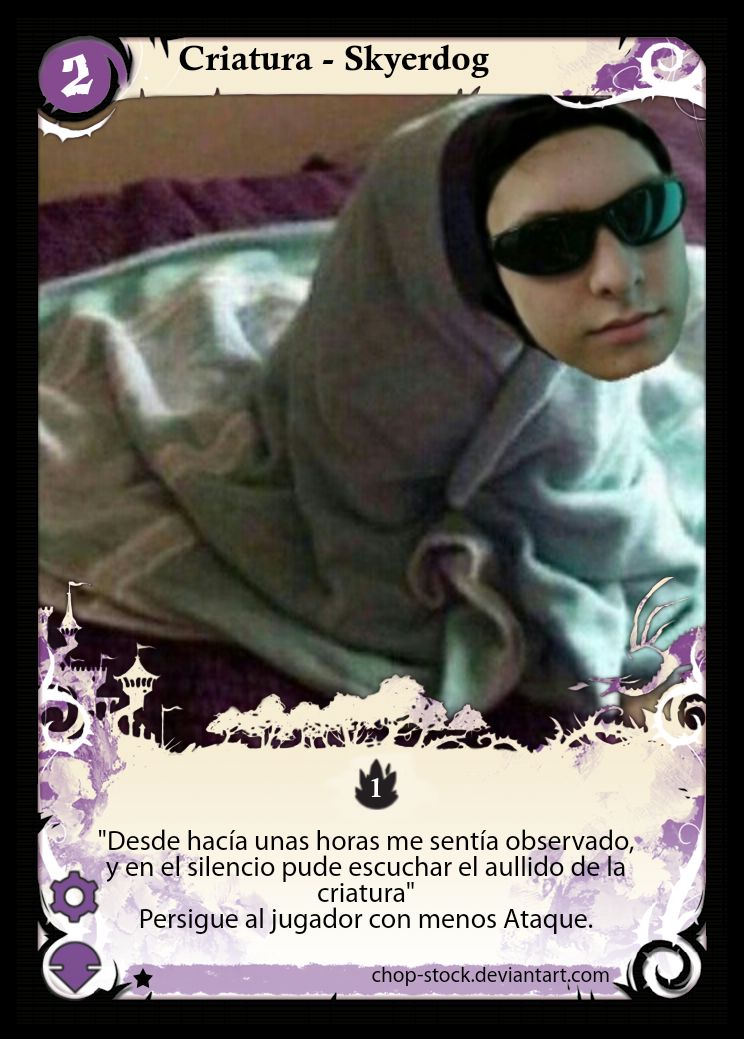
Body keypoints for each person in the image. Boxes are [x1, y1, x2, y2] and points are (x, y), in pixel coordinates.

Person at [38, 95, 705, 717]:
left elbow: (606, 500)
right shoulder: (370, 360)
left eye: (646, 212)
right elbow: (355, 524)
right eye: (555, 245)